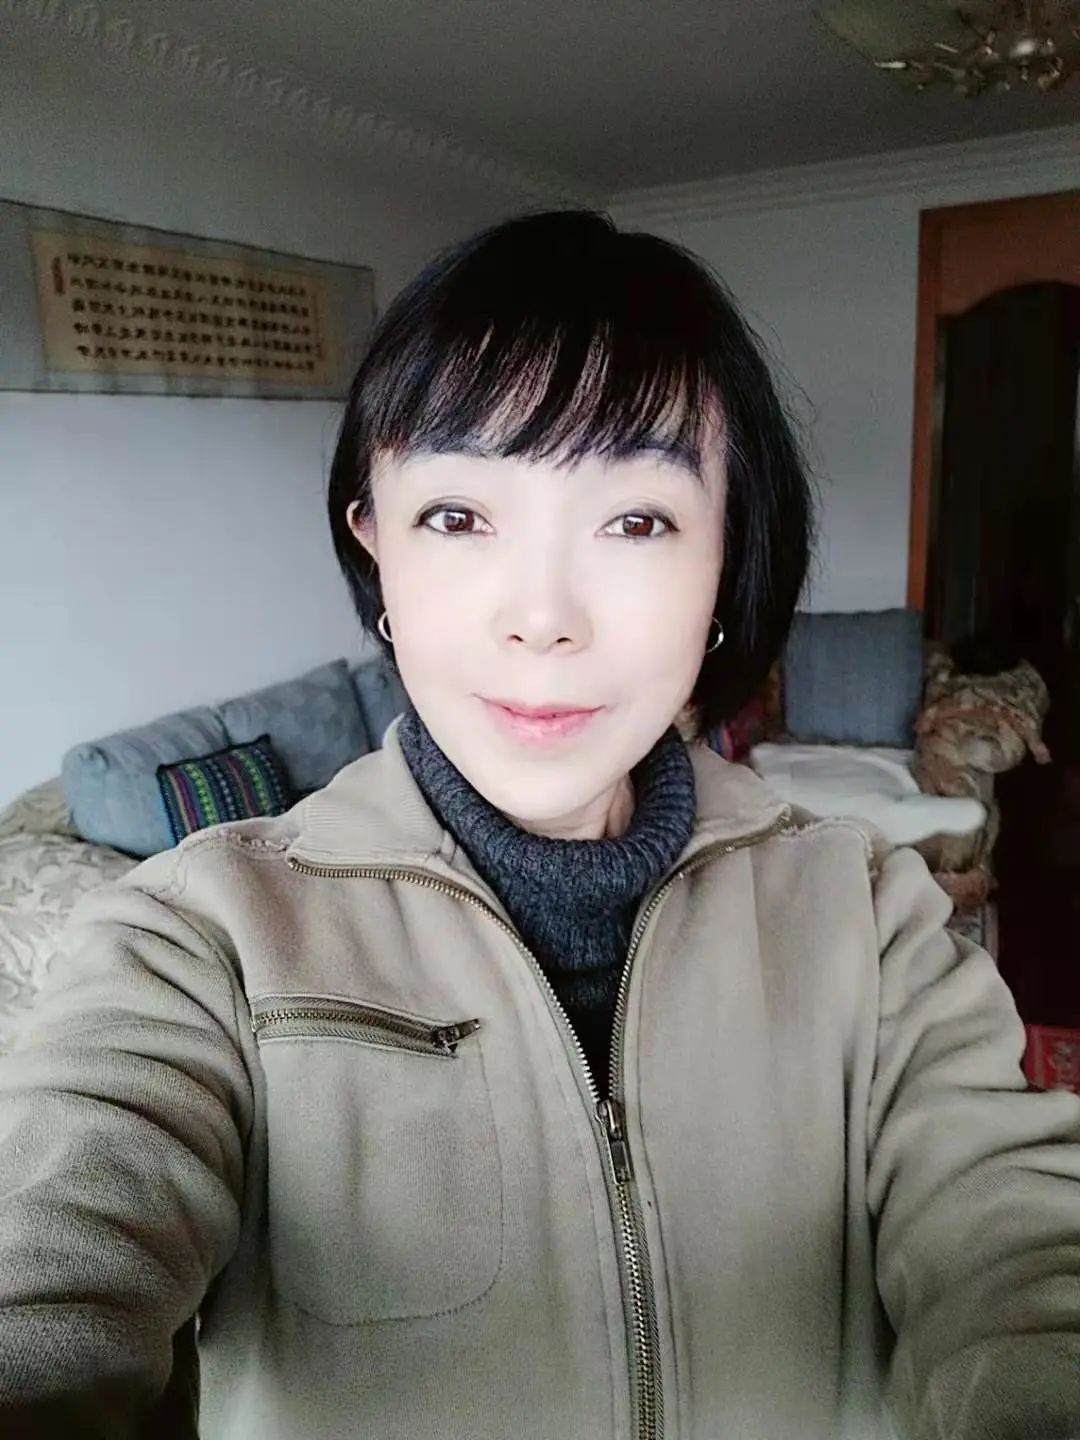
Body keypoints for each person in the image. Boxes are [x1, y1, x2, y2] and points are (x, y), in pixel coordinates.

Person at [0, 210, 1078, 1440]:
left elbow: (1019, 1246)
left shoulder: (870, 913)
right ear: (376, 546)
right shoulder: (198, 941)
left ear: (725, 562)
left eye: (638, 521)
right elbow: (53, 1280)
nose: (543, 617)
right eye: (459, 517)